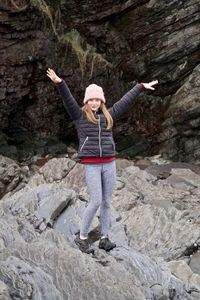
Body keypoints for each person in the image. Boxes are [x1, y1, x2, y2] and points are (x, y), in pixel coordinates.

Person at [47, 68, 158, 254]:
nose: (94, 102)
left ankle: (104, 238)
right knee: (96, 200)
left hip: (109, 163)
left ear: (101, 101)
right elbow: (68, 100)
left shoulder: (109, 116)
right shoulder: (79, 116)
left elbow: (125, 102)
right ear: (86, 101)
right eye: (91, 99)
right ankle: (81, 237)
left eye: (97, 99)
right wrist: (60, 83)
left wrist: (140, 87)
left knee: (107, 201)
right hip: (92, 164)